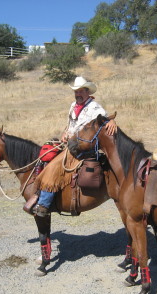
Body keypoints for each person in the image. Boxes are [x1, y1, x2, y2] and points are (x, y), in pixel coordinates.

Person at [24, 76, 117, 216]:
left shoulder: (95, 108)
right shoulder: (73, 106)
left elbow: (105, 120)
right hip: (70, 144)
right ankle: (39, 192)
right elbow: (70, 126)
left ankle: (43, 204)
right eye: (76, 91)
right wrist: (64, 134)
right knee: (46, 153)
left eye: (80, 91)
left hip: (83, 149)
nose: (77, 94)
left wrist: (112, 122)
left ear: (87, 92)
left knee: (53, 167)